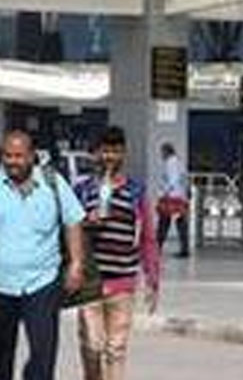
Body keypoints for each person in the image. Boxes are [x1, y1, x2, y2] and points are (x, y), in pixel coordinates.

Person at [0, 129, 86, 380]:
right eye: (7, 156)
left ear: (32, 156)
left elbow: (73, 222)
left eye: (18, 156)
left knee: (43, 355)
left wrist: (76, 263)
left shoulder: (52, 182)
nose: (12, 162)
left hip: (41, 284)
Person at [73, 128, 160, 380]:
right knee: (92, 345)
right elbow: (70, 230)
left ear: (124, 153)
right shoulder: (84, 190)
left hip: (123, 281)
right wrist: (86, 222)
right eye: (106, 150)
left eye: (116, 150)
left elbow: (148, 238)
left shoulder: (135, 191)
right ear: (97, 153)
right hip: (90, 283)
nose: (110, 156)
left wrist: (153, 280)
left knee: (116, 349)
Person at [154, 142, 189, 259]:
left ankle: (157, 247)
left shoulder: (170, 163)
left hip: (171, 197)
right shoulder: (178, 162)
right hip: (180, 196)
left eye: (162, 152)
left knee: (163, 222)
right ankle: (184, 248)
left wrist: (163, 193)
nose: (161, 154)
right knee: (180, 223)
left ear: (166, 151)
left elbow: (172, 180)